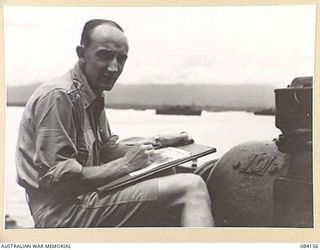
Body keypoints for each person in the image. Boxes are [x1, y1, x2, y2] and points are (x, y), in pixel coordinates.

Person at [16, 19, 214, 227]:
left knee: (165, 169)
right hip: (62, 213)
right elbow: (62, 181)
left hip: (80, 199)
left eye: (121, 59)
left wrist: (159, 143)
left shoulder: (90, 92)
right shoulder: (60, 96)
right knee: (192, 187)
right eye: (105, 55)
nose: (114, 68)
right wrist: (127, 164)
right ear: (81, 53)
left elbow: (105, 149)